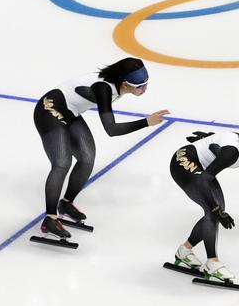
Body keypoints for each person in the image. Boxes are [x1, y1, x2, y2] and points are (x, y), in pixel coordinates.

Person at [33, 57, 167, 239]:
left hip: (70, 112)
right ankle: (49, 219)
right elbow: (111, 130)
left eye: (146, 83)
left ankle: (66, 203)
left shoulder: (117, 85)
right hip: (48, 109)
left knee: (87, 158)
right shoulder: (103, 89)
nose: (145, 89)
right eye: (140, 85)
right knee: (62, 163)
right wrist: (146, 122)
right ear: (125, 83)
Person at [168, 124, 239, 284]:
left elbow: (217, 146)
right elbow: (203, 181)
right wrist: (216, 210)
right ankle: (212, 263)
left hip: (201, 166)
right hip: (183, 163)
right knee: (214, 210)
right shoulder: (233, 153)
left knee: (217, 208)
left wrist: (206, 141)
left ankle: (184, 251)